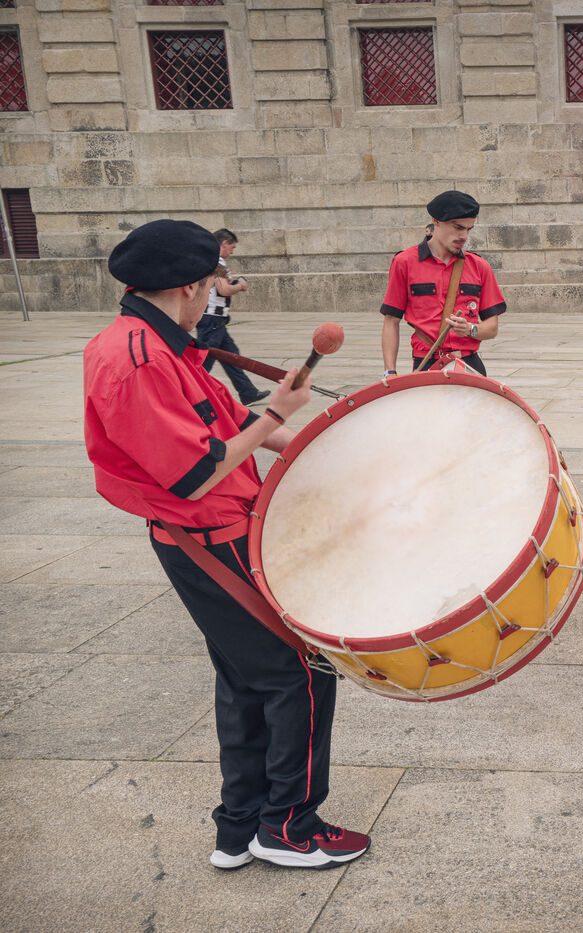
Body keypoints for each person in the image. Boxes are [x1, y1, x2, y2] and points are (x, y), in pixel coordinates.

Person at [83, 220, 371, 871]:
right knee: (301, 671)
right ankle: (289, 827)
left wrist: (322, 449)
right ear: (189, 287)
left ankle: (240, 827)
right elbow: (196, 473)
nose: (215, 291)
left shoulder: (156, 340)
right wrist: (277, 415)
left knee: (247, 679)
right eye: (213, 281)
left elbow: (228, 418)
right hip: (207, 536)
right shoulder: (137, 360)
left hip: (220, 527)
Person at [381, 190, 506, 377]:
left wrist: (470, 329)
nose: (464, 236)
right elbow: (391, 321)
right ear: (436, 221)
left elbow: (492, 327)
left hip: (468, 364)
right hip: (427, 362)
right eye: (458, 227)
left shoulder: (479, 266)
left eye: (469, 229)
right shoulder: (404, 262)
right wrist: (390, 372)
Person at [197, 229, 269, 405]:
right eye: (232, 247)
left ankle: (248, 392)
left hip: (216, 320)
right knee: (204, 361)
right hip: (212, 319)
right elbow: (223, 290)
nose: (232, 251)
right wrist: (241, 286)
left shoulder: (211, 261)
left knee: (231, 358)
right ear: (224, 243)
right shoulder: (217, 263)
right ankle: (190, 395)